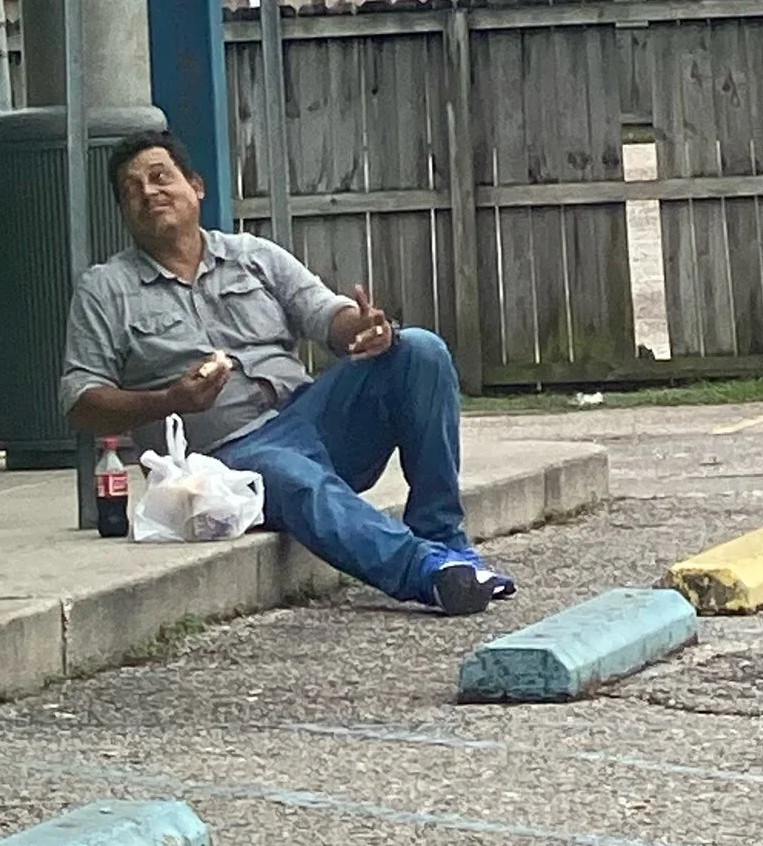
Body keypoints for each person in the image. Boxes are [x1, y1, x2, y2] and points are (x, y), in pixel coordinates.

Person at [61, 131, 517, 613]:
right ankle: (431, 573)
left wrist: (363, 329)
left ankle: (445, 538)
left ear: (196, 187)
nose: (149, 193)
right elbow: (80, 402)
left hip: (310, 417)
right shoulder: (105, 289)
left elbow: (325, 313)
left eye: (160, 178)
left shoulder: (252, 256)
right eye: (132, 190)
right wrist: (169, 400)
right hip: (226, 458)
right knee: (292, 476)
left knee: (420, 350)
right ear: (124, 212)